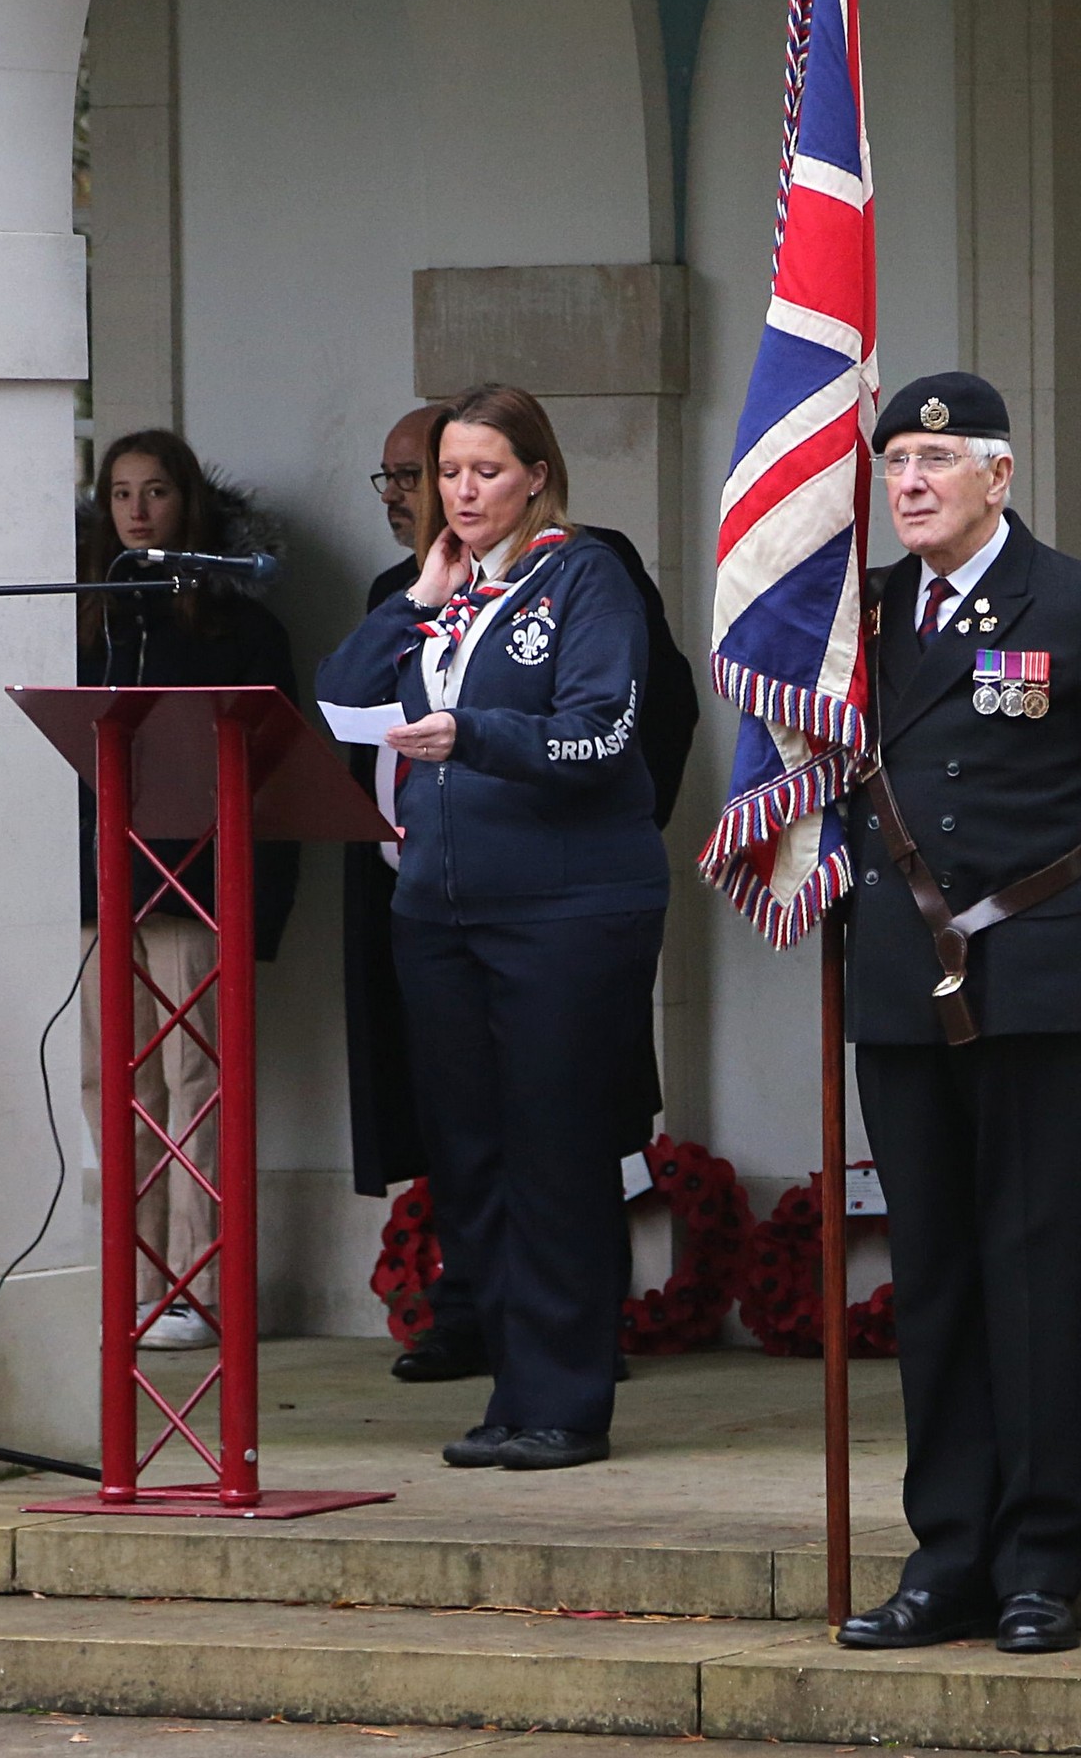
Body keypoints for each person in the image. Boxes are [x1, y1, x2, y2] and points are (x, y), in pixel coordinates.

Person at [836, 372, 1081, 1658]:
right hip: (899, 982)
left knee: (1032, 1272)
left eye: (935, 457)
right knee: (928, 1275)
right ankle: (948, 1555)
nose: (909, 481)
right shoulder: (857, 621)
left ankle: (1041, 1559)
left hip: (1036, 978)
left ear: (1000, 471)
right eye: (895, 462)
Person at [319, 384, 670, 1469]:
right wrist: (412, 600)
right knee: (473, 1157)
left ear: (535, 475)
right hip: (438, 909)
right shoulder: (439, 589)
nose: (462, 492)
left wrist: (467, 734)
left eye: (484, 470)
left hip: (568, 910)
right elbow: (336, 697)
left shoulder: (586, 575)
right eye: (446, 474)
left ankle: (565, 1400)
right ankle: (513, 1392)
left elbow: (601, 734)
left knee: (555, 1149)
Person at [78, 429, 301, 1351]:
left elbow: (274, 765)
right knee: (109, 1083)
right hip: (104, 882)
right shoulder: (93, 620)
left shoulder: (240, 626)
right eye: (121, 492)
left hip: (196, 879)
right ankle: (130, 1282)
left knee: (192, 1080)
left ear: (190, 504)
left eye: (156, 490)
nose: (137, 510)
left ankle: (194, 1286)